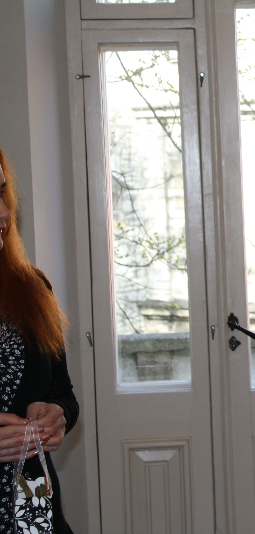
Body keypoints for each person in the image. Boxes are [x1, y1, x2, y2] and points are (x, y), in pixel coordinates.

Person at [0, 147, 79, 534]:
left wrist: (56, 415)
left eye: (2, 193)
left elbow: (64, 395)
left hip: (34, 515)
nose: (4, 213)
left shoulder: (32, 288)